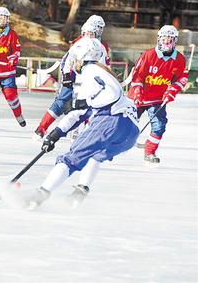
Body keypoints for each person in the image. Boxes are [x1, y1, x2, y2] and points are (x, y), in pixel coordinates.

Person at [24, 37, 139, 209]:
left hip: (111, 120)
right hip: (130, 130)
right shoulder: (104, 72)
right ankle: (79, 193)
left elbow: (96, 102)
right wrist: (55, 134)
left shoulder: (90, 71)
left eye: (75, 57)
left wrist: (80, 104)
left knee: (70, 159)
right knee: (94, 155)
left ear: (83, 56)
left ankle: (39, 196)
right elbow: (81, 111)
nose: (74, 62)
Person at [34, 16, 110, 139]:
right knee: (61, 103)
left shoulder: (102, 46)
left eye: (101, 28)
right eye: (99, 28)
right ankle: (41, 129)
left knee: (91, 106)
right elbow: (67, 60)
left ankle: (84, 133)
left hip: (89, 82)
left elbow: (105, 65)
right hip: (74, 79)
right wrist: (67, 76)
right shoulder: (79, 42)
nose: (100, 31)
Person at [127, 25, 188, 164]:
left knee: (159, 125)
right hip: (139, 96)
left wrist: (172, 90)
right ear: (159, 39)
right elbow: (138, 75)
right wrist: (137, 90)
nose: (167, 42)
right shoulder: (148, 55)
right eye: (164, 38)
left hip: (157, 99)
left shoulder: (179, 59)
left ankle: (149, 152)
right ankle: (113, 148)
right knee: (126, 124)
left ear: (175, 41)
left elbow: (181, 79)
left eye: (170, 39)